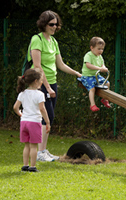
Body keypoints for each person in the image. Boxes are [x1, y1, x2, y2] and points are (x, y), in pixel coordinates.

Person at [28, 10, 82, 161]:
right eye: (51, 24)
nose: (54, 27)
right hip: (39, 83)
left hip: (52, 82)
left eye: (56, 24)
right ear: (43, 24)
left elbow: (61, 64)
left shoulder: (54, 41)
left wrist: (76, 73)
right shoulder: (37, 39)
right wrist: (48, 87)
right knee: (47, 116)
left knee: (49, 118)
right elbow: (37, 66)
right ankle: (40, 153)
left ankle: (43, 151)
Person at [13, 68, 50, 172]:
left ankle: (25, 165)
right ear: (36, 81)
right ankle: (32, 167)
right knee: (34, 146)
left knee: (26, 146)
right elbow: (42, 109)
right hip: (35, 123)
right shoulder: (39, 94)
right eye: (41, 80)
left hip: (24, 122)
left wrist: (20, 114)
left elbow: (15, 107)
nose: (42, 82)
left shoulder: (22, 93)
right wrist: (47, 122)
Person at [80, 36, 111, 112]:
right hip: (87, 76)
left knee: (107, 84)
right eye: (99, 49)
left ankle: (105, 99)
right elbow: (88, 65)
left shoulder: (100, 56)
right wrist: (100, 68)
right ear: (92, 48)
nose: (101, 51)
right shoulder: (88, 55)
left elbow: (102, 65)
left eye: (102, 49)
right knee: (92, 89)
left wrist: (104, 68)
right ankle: (92, 104)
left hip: (96, 76)